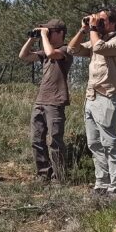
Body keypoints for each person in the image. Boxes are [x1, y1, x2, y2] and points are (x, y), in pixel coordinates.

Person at [67, 8, 116, 199]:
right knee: (94, 143)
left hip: (107, 97)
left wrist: (93, 28)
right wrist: (83, 30)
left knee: (109, 143)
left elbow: (100, 48)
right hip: (91, 97)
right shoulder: (95, 40)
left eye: (102, 21)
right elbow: (72, 49)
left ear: (113, 23)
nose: (99, 24)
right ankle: (101, 183)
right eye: (98, 21)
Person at [18, 19, 73, 183]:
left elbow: (50, 53)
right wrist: (32, 38)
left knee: (55, 141)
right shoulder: (45, 51)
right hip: (40, 100)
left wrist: (43, 34)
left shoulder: (66, 49)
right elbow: (23, 56)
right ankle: (43, 173)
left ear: (60, 33)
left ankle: (59, 176)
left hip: (56, 101)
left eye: (50, 32)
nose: (47, 35)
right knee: (36, 140)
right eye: (46, 32)